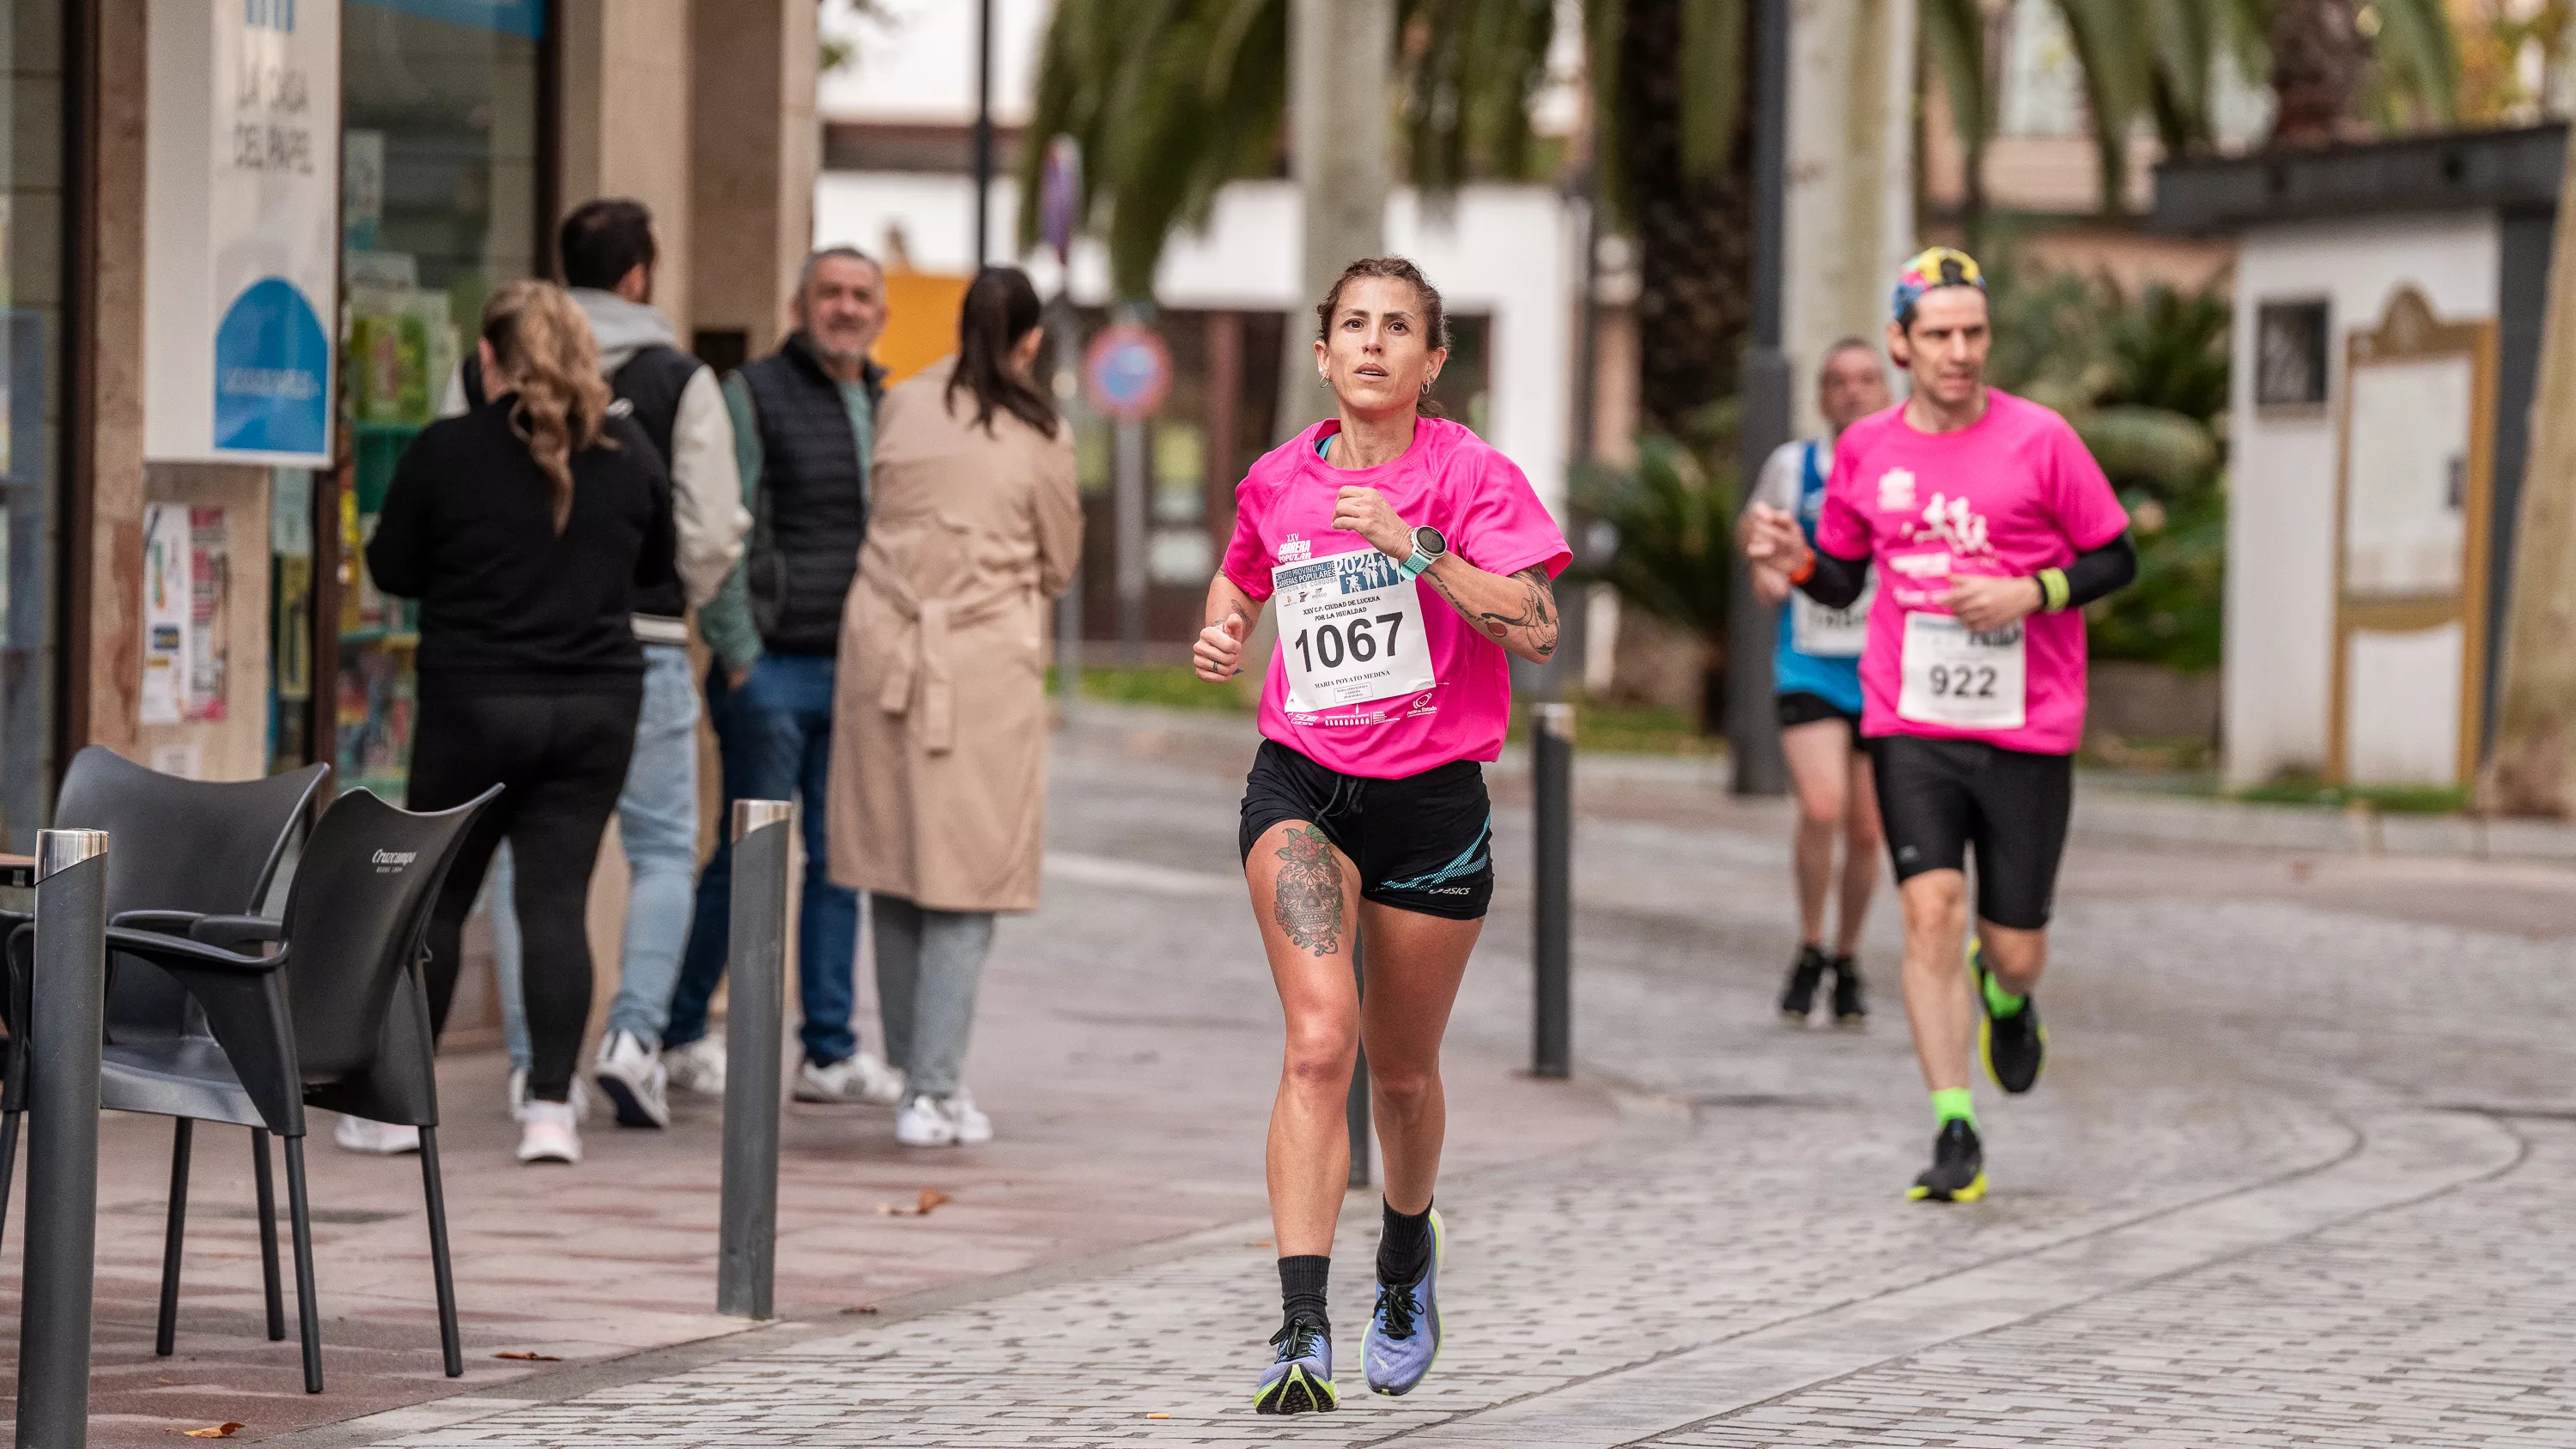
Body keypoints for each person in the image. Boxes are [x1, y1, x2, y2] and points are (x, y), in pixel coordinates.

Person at [1194, 257, 1569, 1413]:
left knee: (1401, 1077)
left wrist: (1418, 549)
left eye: (1396, 327)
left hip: (1431, 804)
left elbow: (1541, 627)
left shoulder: (1469, 474)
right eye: (1351, 324)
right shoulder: (1276, 478)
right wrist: (1221, 629)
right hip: (1302, 786)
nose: (1371, 343)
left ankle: (1406, 1254)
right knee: (1320, 1044)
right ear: (1322, 354)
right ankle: (1300, 1327)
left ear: (1431, 361)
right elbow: (1242, 573)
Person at [1746, 247, 2136, 1203]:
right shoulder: (1870, 450)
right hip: (1910, 717)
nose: (1960, 352)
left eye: (1974, 334)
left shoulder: (2041, 439)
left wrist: (2028, 590)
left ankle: (2005, 991)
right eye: (1941, 336)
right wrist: (1799, 561)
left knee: (2013, 944)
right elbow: (1842, 576)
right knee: (1926, 909)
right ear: (1902, 342)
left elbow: (2115, 556)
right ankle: (1953, 1125)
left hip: (2028, 725)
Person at [367, 279, 675, 1167]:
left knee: (439, 899)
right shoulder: (628, 448)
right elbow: (660, 569)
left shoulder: (447, 449)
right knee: (555, 902)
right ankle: (550, 1111)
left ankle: (399, 1109)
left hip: (474, 702)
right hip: (595, 706)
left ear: (490, 357)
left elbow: (394, 566)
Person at [476, 198, 750, 1135]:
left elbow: (459, 481)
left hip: (519, 645)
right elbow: (712, 530)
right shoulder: (682, 380)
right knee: (664, 847)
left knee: (530, 859)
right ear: (641, 273)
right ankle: (634, 1039)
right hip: (649, 645)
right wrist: (679, 589)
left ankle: (530, 1064)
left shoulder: (504, 356)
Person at [826, 266, 1080, 1149]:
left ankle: (913, 1076)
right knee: (966, 879)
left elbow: (880, 509)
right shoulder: (1039, 427)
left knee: (894, 868)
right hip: (977, 662)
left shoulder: (900, 403)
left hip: (883, 648)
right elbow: (1060, 559)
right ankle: (933, 1089)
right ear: (1030, 339)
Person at [659, 247, 902, 1106]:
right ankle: (682, 1031)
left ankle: (829, 1051)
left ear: (879, 311)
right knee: (747, 857)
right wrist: (736, 652)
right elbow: (722, 523)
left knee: (841, 864)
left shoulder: (885, 398)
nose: (845, 307)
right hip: (770, 668)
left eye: (860, 295)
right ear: (799, 304)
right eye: (829, 293)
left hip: (857, 674)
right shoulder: (750, 393)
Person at [1738, 341, 1893, 1027]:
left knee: (1867, 830)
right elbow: (1756, 523)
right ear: (1823, 397)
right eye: (1837, 381)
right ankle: (1808, 943)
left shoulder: (1904, 467)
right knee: (1824, 807)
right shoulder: (1794, 466)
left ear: (1886, 390)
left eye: (1865, 379)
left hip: (1887, 666)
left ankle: (1848, 957)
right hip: (1809, 659)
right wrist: (1765, 565)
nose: (1852, 391)